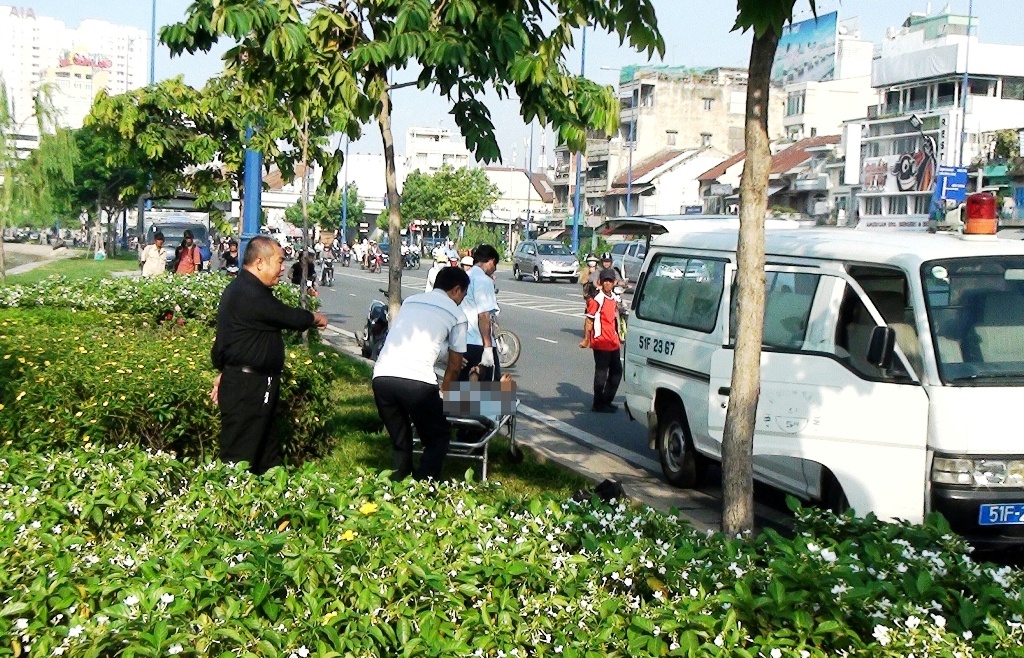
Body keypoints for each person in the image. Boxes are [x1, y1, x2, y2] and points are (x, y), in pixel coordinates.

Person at [209, 236, 329, 474]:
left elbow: (226, 343)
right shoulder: (249, 293)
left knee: (265, 454)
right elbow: (288, 316)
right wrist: (315, 318)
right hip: (249, 387)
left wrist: (224, 371)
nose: (283, 268)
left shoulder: (243, 289)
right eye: (279, 262)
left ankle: (268, 503)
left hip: (250, 382)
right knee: (240, 458)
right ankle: (230, 505)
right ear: (260, 263)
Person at [372, 266, 469, 481]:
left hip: (382, 376)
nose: (463, 300)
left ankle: (397, 485)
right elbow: (454, 366)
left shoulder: (411, 301)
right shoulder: (458, 314)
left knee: (400, 439)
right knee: (438, 436)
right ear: (456, 290)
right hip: (418, 383)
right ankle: (424, 485)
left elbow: (416, 340)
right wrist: (444, 392)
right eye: (463, 294)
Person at [579, 268, 622, 413]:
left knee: (617, 372)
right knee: (601, 375)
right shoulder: (597, 299)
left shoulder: (614, 298)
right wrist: (586, 339)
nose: (608, 284)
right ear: (600, 282)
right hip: (601, 342)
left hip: (613, 341)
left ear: (614, 282)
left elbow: (616, 318)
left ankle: (607, 400)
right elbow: (589, 320)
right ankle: (598, 404)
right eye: (605, 281)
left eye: (610, 281)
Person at [460, 244, 501, 382]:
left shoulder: (464, 277)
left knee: (461, 398)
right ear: (490, 261)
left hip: (461, 343)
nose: (494, 269)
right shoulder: (484, 280)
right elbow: (483, 316)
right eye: (495, 265)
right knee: (490, 398)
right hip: (478, 344)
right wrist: (488, 347)